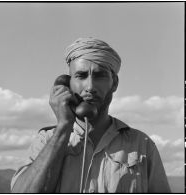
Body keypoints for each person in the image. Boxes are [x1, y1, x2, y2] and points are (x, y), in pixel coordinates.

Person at [11, 37, 171, 193]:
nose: (90, 86)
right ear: (67, 84)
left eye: (99, 75)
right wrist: (63, 128)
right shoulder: (46, 140)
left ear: (114, 83)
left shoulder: (142, 145)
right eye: (81, 76)